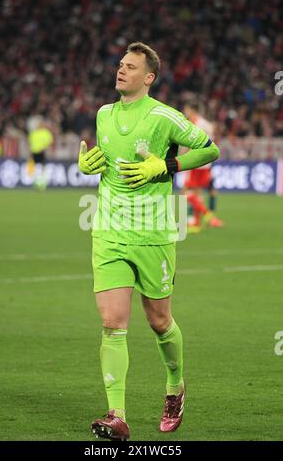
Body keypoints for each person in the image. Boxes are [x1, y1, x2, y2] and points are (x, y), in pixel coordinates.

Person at [78, 42, 220, 441]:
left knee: (159, 322)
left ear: (149, 77)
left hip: (154, 233)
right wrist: (87, 166)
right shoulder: (104, 115)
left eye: (130, 66)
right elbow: (105, 162)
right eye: (120, 64)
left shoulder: (163, 116)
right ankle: (116, 415)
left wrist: (167, 164)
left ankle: (175, 385)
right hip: (108, 231)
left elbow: (211, 148)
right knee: (112, 323)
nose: (121, 70)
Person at [182, 101, 224, 232]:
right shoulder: (206, 123)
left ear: (192, 110)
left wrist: (184, 157)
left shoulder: (195, 123)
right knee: (197, 193)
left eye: (186, 109)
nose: (185, 112)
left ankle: (207, 215)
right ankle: (195, 223)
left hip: (196, 161)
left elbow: (192, 142)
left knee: (186, 192)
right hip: (206, 162)